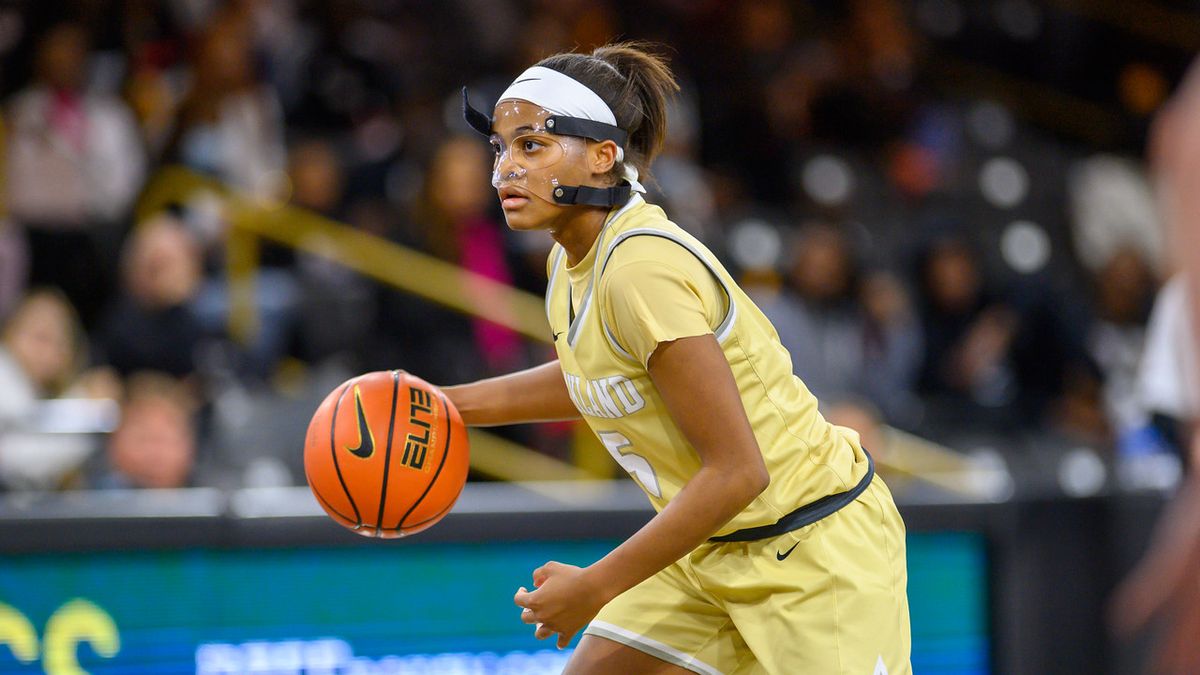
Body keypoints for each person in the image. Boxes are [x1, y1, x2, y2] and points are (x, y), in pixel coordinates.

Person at [440, 43, 910, 674]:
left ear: (604, 155)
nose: (503, 171)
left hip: (809, 546)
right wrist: (446, 405)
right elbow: (595, 374)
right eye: (499, 148)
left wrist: (596, 584)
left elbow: (739, 471)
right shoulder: (570, 257)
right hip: (712, 549)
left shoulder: (640, 267)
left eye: (531, 145)